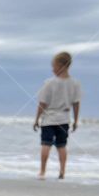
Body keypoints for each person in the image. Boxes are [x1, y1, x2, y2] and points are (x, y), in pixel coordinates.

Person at [33, 51, 81, 179]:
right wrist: (75, 120)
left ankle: (42, 171)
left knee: (46, 144)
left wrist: (37, 119)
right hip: (64, 119)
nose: (52, 69)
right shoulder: (75, 83)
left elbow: (42, 103)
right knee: (62, 146)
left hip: (49, 118)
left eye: (54, 66)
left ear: (61, 66)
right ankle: (62, 172)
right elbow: (76, 104)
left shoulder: (49, 82)